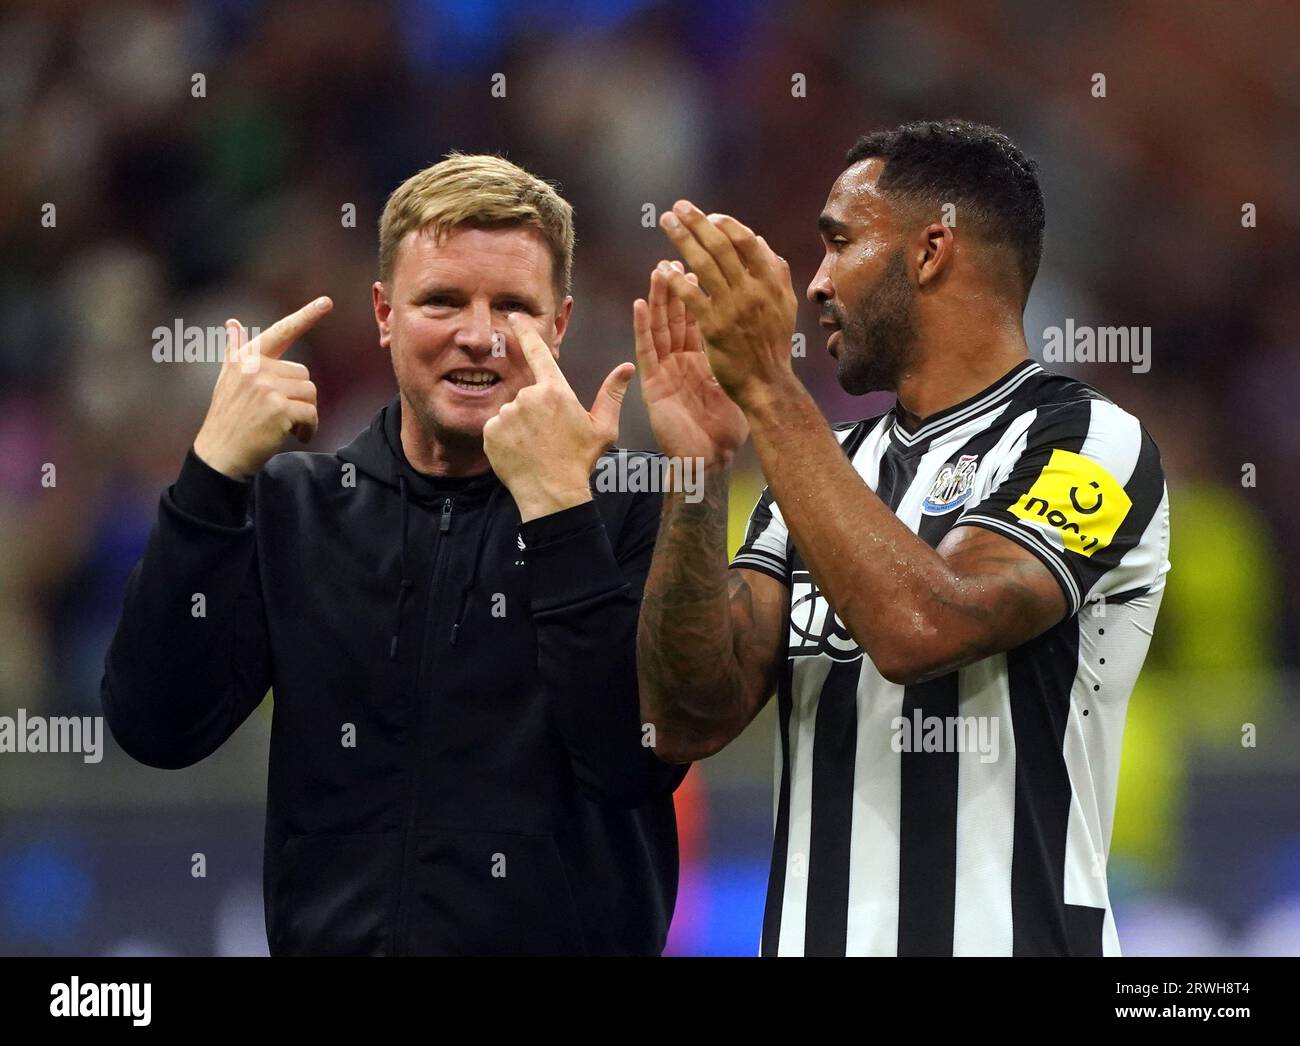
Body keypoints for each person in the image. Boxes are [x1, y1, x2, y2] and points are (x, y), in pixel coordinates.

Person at [102, 153, 686, 956]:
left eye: (513, 306)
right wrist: (211, 474)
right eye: (442, 300)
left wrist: (559, 513)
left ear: (560, 324)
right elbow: (156, 727)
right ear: (383, 312)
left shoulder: (628, 503)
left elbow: (632, 763)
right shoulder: (295, 508)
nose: (477, 336)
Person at [634, 119, 1170, 956]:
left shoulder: (1089, 442)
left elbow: (928, 626)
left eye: (839, 243)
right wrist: (697, 470)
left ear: (930, 250)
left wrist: (770, 391)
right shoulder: (824, 468)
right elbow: (686, 718)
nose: (813, 286)